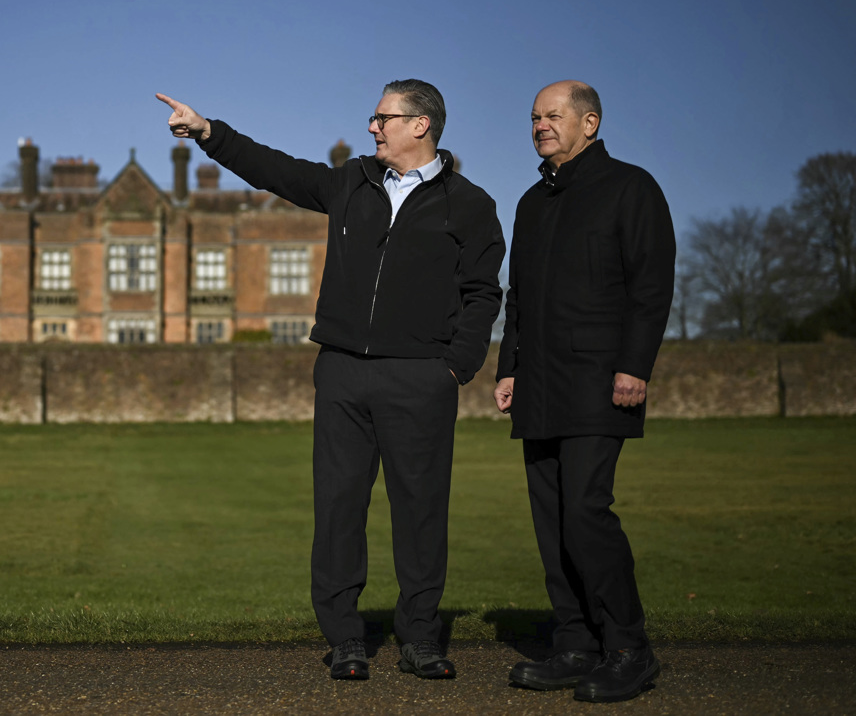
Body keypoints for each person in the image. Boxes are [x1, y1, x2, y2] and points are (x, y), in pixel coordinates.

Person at [158, 81, 504, 681]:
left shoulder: (469, 204)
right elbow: (279, 172)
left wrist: (454, 368)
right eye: (373, 118)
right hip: (343, 371)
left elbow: (482, 292)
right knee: (339, 508)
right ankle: (346, 637)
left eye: (383, 117)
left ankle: (420, 638)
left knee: (420, 512)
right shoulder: (351, 183)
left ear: (420, 125)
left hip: (420, 378)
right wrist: (210, 132)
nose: (372, 126)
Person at [494, 80, 675, 703]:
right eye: (535, 117)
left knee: (586, 515)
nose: (541, 125)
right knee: (551, 522)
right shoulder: (530, 202)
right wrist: (507, 367)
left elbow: (651, 286)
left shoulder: (632, 188)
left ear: (589, 123)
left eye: (554, 115)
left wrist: (635, 366)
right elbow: (517, 297)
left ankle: (628, 648)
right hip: (539, 384)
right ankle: (574, 644)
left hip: (601, 381)